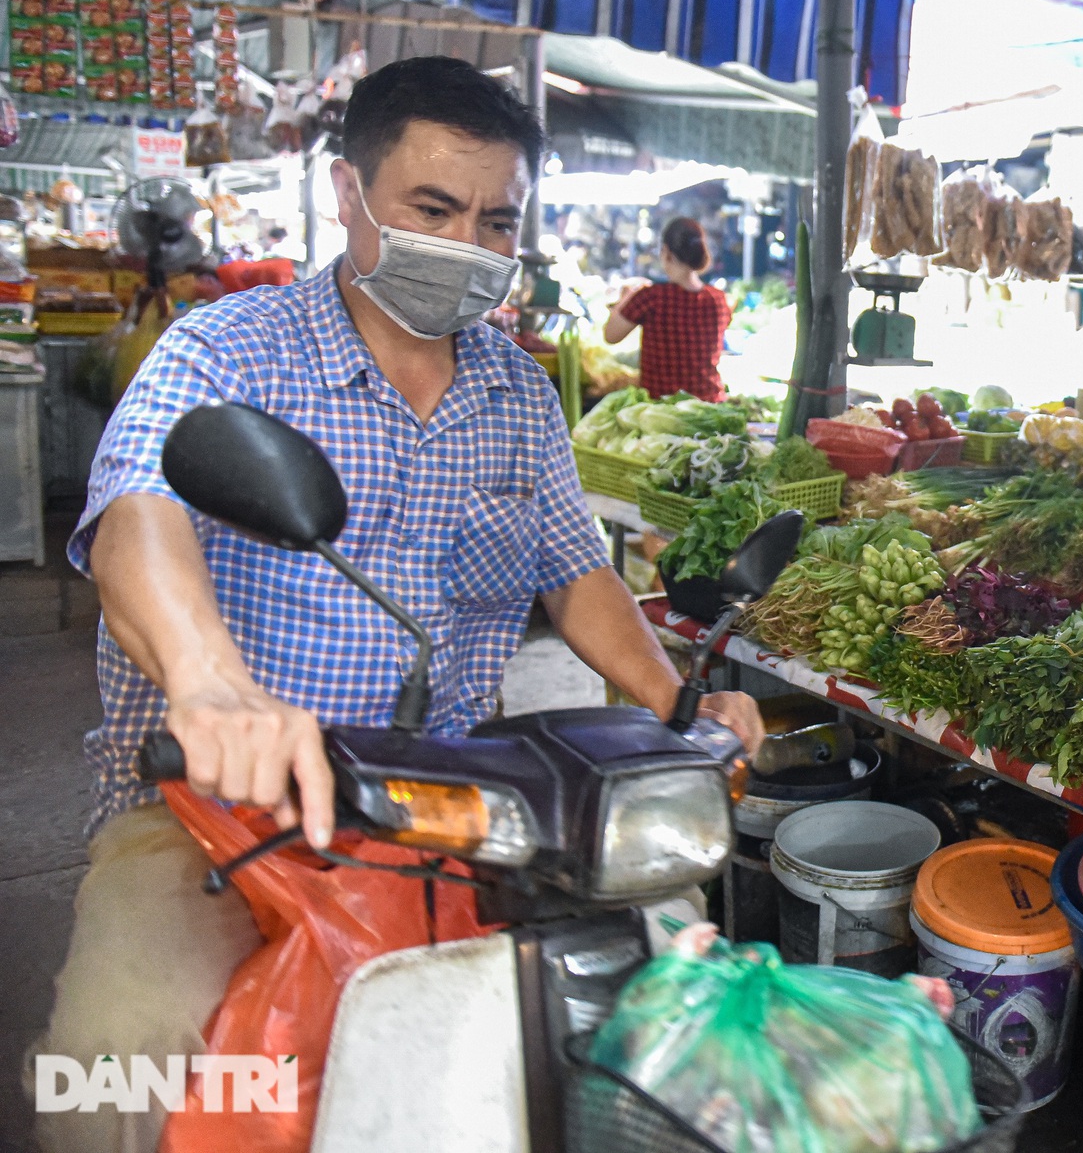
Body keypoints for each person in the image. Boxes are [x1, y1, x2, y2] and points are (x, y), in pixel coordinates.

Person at [31, 56, 763, 1153]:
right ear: (347, 191)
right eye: (433, 207)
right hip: (218, 811)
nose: (467, 244)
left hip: (458, 808)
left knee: (660, 1006)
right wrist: (211, 686)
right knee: (114, 1068)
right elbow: (140, 510)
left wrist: (678, 706)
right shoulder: (227, 349)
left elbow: (575, 573)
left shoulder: (514, 390)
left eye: (494, 220)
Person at [604, 215, 732, 402]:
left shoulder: (650, 297)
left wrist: (626, 297)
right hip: (708, 406)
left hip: (662, 409)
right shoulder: (718, 299)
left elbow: (611, 335)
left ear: (666, 252)